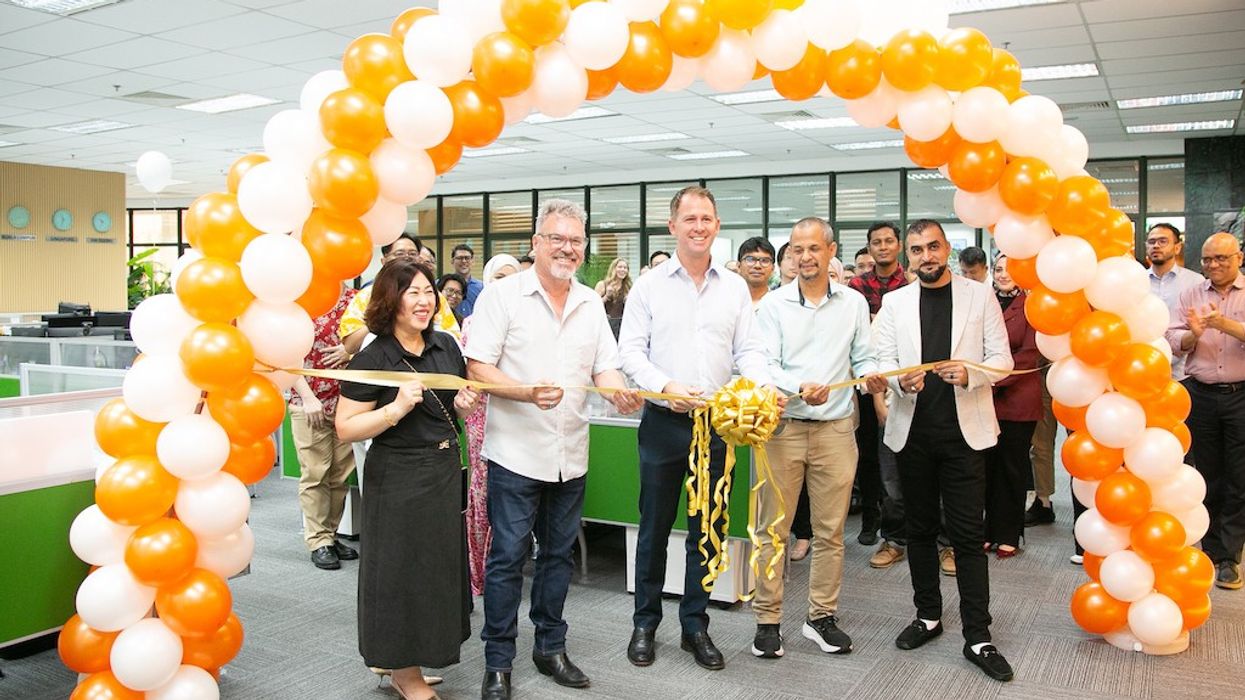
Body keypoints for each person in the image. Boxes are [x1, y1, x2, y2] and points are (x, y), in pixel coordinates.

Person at [466, 199, 642, 700]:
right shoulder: (502, 297)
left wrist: (617, 391)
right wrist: (523, 392)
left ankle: (550, 648)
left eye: (575, 241)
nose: (567, 248)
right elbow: (478, 364)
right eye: (557, 239)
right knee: (506, 559)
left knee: (558, 558)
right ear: (536, 243)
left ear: (583, 249)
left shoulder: (589, 302)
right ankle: (498, 661)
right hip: (515, 454)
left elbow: (604, 368)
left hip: (572, 453)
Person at [619, 186, 773, 672]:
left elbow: (748, 350)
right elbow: (630, 353)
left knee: (709, 530)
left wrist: (759, 386)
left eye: (707, 218)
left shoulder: (733, 288)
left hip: (718, 426)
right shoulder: (649, 286)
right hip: (664, 424)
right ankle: (645, 622)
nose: (699, 226)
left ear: (717, 225)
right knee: (655, 527)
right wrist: (666, 386)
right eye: (690, 218)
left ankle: (695, 624)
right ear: (673, 226)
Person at [872, 219, 1014, 682]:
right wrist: (899, 378)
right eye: (916, 250)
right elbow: (882, 361)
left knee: (969, 538)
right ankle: (927, 616)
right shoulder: (894, 303)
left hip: (964, 435)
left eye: (933, 246)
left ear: (947, 248)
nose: (925, 256)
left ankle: (978, 636)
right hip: (911, 433)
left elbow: (1003, 361)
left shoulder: (980, 294)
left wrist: (972, 374)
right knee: (919, 531)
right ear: (907, 256)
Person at [335, 259, 483, 700]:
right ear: (390, 300)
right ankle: (403, 670)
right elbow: (346, 426)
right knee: (400, 572)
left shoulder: (445, 346)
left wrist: (463, 405)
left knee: (434, 572)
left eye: (427, 291)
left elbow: (450, 406)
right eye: (412, 292)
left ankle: (408, 660)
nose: (424, 300)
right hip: (397, 477)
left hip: (441, 472)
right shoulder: (373, 356)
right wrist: (394, 409)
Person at [751, 217, 885, 659]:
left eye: (813, 249)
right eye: (797, 250)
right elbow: (763, 364)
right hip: (784, 429)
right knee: (774, 531)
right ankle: (768, 620)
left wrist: (871, 379)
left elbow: (863, 358)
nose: (804, 257)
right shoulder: (772, 305)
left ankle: (821, 617)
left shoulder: (853, 304)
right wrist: (797, 385)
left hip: (835, 431)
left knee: (830, 532)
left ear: (831, 252)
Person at [1165, 232, 1245, 591]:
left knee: (1239, 477)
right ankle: (1213, 549)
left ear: (1238, 258)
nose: (1213, 265)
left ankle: (1230, 555)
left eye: (1222, 259)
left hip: (1241, 394)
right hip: (1200, 394)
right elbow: (1173, 341)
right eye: (1208, 259)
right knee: (1207, 473)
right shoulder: (1191, 294)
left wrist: (1222, 324)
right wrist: (1193, 334)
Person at [848, 223, 908, 564]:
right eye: (876, 243)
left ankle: (906, 528)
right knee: (871, 457)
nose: (883, 247)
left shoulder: (911, 285)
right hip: (867, 384)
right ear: (869, 248)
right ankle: (873, 519)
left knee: (904, 461)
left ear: (898, 245)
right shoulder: (855, 287)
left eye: (888, 241)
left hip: (905, 385)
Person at [463, 257, 521, 599]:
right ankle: (481, 574)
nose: (504, 285)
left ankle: (508, 568)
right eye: (497, 277)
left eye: (511, 278)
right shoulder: (473, 322)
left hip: (521, 418)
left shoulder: (527, 321)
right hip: (483, 420)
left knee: (514, 499)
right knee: (484, 497)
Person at [290, 281, 357, 570]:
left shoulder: (356, 301)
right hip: (309, 400)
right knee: (315, 472)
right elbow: (284, 352)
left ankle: (330, 534)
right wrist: (307, 397)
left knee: (340, 475)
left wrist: (349, 353)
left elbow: (370, 342)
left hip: (349, 400)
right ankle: (318, 540)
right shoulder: (298, 302)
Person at [982, 255, 1040, 559]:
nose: (1003, 274)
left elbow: (1029, 355)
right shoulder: (985, 303)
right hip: (983, 399)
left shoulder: (1032, 305)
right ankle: (989, 529)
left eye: (1010, 269)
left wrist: (990, 378)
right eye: (998, 269)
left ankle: (1009, 533)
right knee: (987, 468)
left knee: (1012, 468)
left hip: (1017, 397)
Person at [340, 234, 460, 355]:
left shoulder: (433, 296)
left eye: (412, 254)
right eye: (400, 254)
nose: (407, 258)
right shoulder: (367, 296)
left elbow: (454, 339)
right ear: (384, 260)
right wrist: (380, 318)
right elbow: (350, 346)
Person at [1147, 224, 1204, 380]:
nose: (1156, 246)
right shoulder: (1137, 281)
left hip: (1184, 373)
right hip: (1144, 369)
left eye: (1163, 241)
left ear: (1177, 247)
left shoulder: (1195, 282)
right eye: (1151, 242)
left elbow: (1201, 327)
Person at [594, 257, 632, 339]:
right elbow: (593, 305)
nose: (622, 270)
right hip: (606, 324)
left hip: (622, 326)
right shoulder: (603, 284)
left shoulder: (628, 287)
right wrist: (606, 296)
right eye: (620, 267)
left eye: (625, 268)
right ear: (613, 269)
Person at [738, 237, 776, 307]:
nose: (757, 266)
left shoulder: (780, 303)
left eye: (765, 260)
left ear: (773, 269)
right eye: (750, 259)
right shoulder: (727, 301)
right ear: (739, 266)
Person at [451, 243, 485, 318]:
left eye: (467, 258)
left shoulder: (482, 287)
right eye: (460, 258)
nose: (464, 261)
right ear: (452, 261)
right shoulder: (442, 285)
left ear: (473, 261)